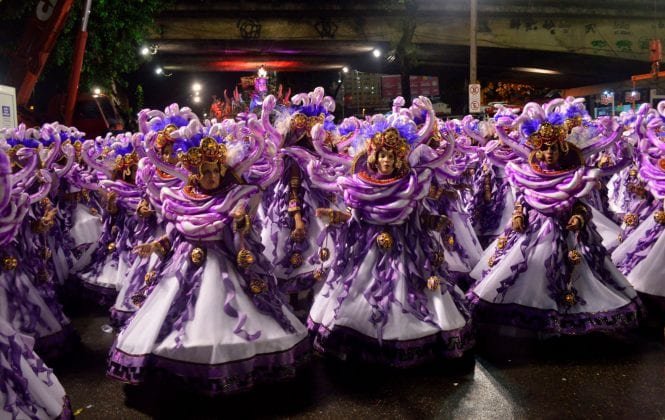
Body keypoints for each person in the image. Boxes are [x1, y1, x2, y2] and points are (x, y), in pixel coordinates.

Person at [107, 108, 309, 394]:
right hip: (184, 267)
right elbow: (174, 233)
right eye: (206, 172)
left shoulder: (234, 195)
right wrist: (157, 245)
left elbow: (243, 218)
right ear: (194, 174)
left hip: (224, 263)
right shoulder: (178, 198)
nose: (212, 176)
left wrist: (241, 219)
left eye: (216, 170)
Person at [307, 97, 473, 366]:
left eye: (392, 156)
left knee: (408, 293)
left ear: (400, 159)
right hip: (368, 251)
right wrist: (334, 216)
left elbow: (419, 217)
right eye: (382, 155)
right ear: (374, 156)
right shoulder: (361, 184)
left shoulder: (413, 184)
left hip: (407, 250)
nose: (386, 160)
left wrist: (435, 223)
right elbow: (355, 218)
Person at [468, 100, 641, 337]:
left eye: (553, 149)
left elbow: (581, 206)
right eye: (545, 149)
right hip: (535, 232)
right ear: (537, 150)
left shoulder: (573, 175)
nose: (549, 153)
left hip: (567, 234)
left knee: (574, 273)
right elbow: (524, 201)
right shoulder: (530, 174)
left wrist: (579, 219)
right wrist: (518, 215)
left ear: (562, 150)